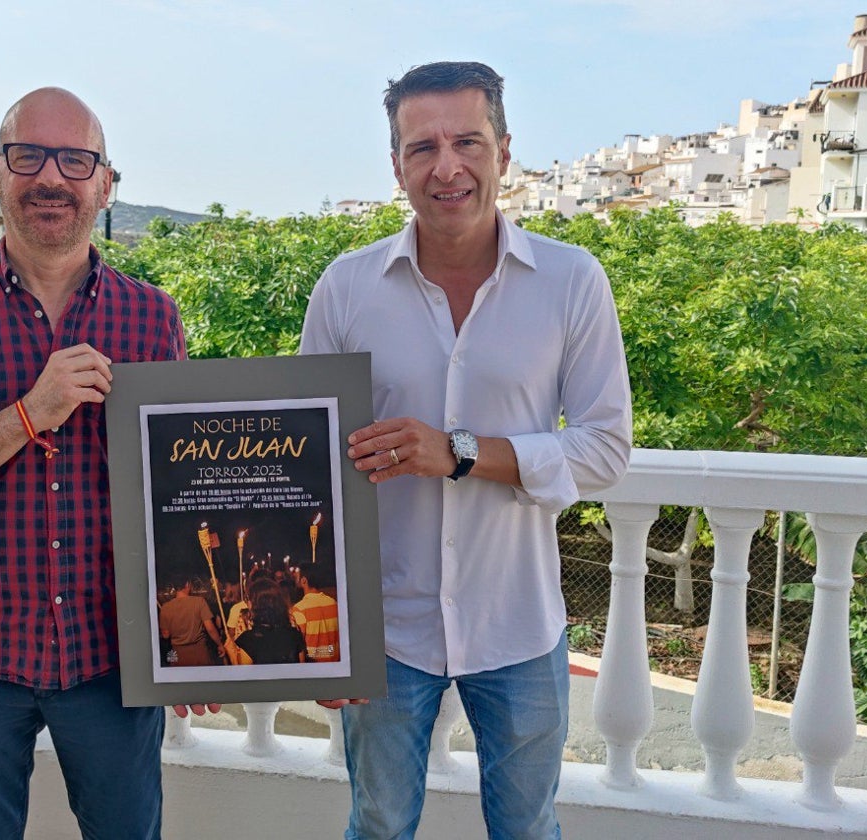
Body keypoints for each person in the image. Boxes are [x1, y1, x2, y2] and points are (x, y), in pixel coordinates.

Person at [0, 87, 216, 840]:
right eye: (28, 155)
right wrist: (29, 413)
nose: (51, 177)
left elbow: (175, 492)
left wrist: (190, 645)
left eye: (75, 160)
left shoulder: (151, 315)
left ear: (105, 183)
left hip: (111, 661)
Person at [300, 62, 631, 839]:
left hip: (517, 622)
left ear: (504, 152)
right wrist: (328, 642)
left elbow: (605, 449)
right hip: (385, 632)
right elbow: (311, 472)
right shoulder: (345, 289)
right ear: (395, 166)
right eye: (422, 147)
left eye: (467, 141)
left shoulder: (571, 281)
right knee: (377, 826)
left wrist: (457, 450)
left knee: (527, 829)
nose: (446, 166)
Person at [159, 577, 225, 665]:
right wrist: (220, 645)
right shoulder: (199, 602)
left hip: (178, 655)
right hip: (200, 653)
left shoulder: (165, 608)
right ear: (187, 584)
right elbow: (210, 629)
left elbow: (165, 635)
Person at [234, 585, 307, 665]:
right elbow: (301, 669)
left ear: (255, 606)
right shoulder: (294, 634)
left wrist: (232, 656)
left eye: (248, 599)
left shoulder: (248, 640)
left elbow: (244, 676)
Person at [291, 566, 341, 663]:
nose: (294, 577)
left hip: (313, 665)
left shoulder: (299, 609)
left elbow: (298, 644)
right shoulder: (333, 603)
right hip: (335, 663)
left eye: (296, 575)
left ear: (304, 580)